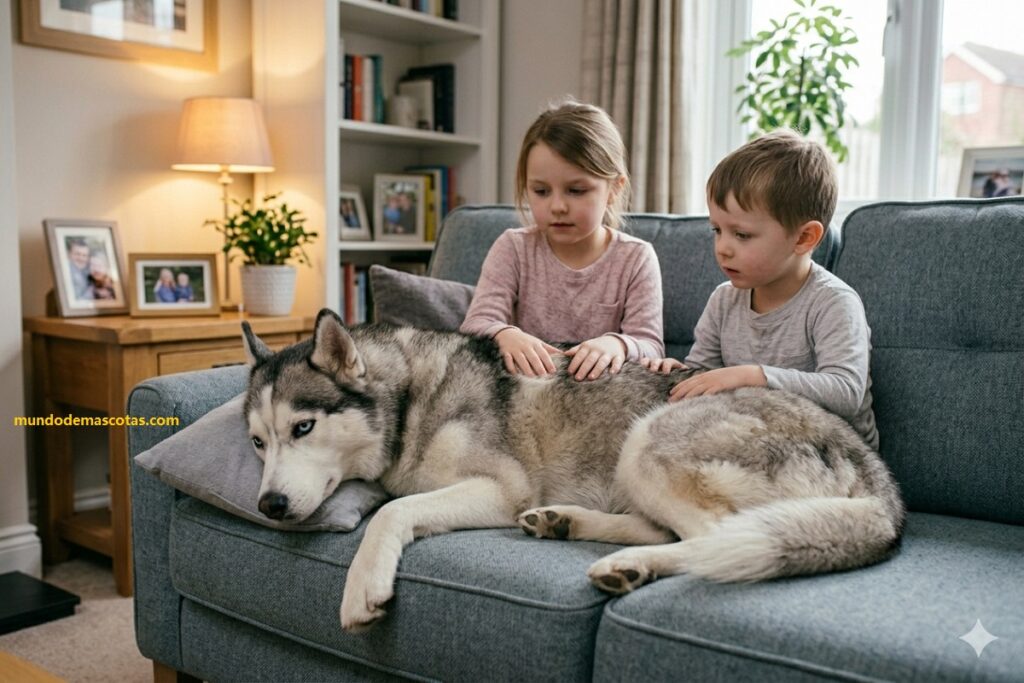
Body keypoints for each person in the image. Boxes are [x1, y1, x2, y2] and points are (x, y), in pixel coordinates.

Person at [642, 129, 878, 449]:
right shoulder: (724, 299)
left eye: (741, 235)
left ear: (804, 238)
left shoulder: (834, 302)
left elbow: (845, 392)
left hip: (833, 453)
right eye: (717, 230)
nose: (722, 248)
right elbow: (704, 373)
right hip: (759, 439)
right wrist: (681, 373)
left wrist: (754, 376)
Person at [460, 99, 664, 381]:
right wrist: (504, 333)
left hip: (600, 394)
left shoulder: (636, 258)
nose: (557, 206)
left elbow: (651, 346)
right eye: (541, 191)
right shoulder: (514, 248)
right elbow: (475, 324)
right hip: (527, 390)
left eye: (576, 190)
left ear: (614, 188)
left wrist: (617, 344)